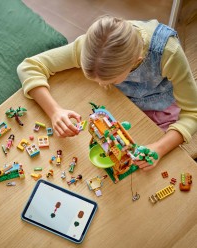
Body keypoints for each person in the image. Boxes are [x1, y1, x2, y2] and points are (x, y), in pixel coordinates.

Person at [17, 16, 197, 170]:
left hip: (160, 106)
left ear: (136, 61)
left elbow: (193, 112)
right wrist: (54, 111)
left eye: (110, 81)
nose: (102, 84)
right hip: (118, 103)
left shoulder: (168, 53)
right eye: (95, 80)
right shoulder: (94, 45)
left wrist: (158, 149)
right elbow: (29, 67)